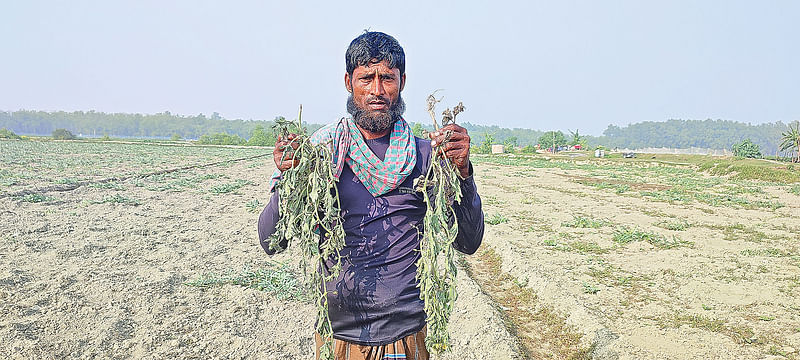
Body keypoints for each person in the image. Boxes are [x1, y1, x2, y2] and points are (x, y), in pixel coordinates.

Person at [258, 31, 484, 360]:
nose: (377, 90)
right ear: (349, 82)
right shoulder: (322, 156)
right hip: (338, 337)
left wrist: (463, 173)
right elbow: (271, 242)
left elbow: (468, 241)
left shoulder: (424, 156)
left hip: (404, 336)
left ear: (402, 82)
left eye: (387, 78)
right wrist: (291, 177)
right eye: (367, 78)